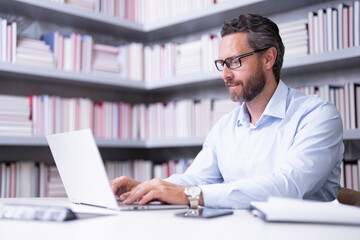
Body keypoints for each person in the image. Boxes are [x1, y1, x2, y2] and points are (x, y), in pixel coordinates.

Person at [110, 14, 344, 209]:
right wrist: (147, 188)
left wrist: (190, 195)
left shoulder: (318, 116)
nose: (225, 74)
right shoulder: (225, 126)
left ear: (268, 58)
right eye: (222, 63)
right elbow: (196, 179)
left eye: (234, 61)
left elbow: (288, 186)